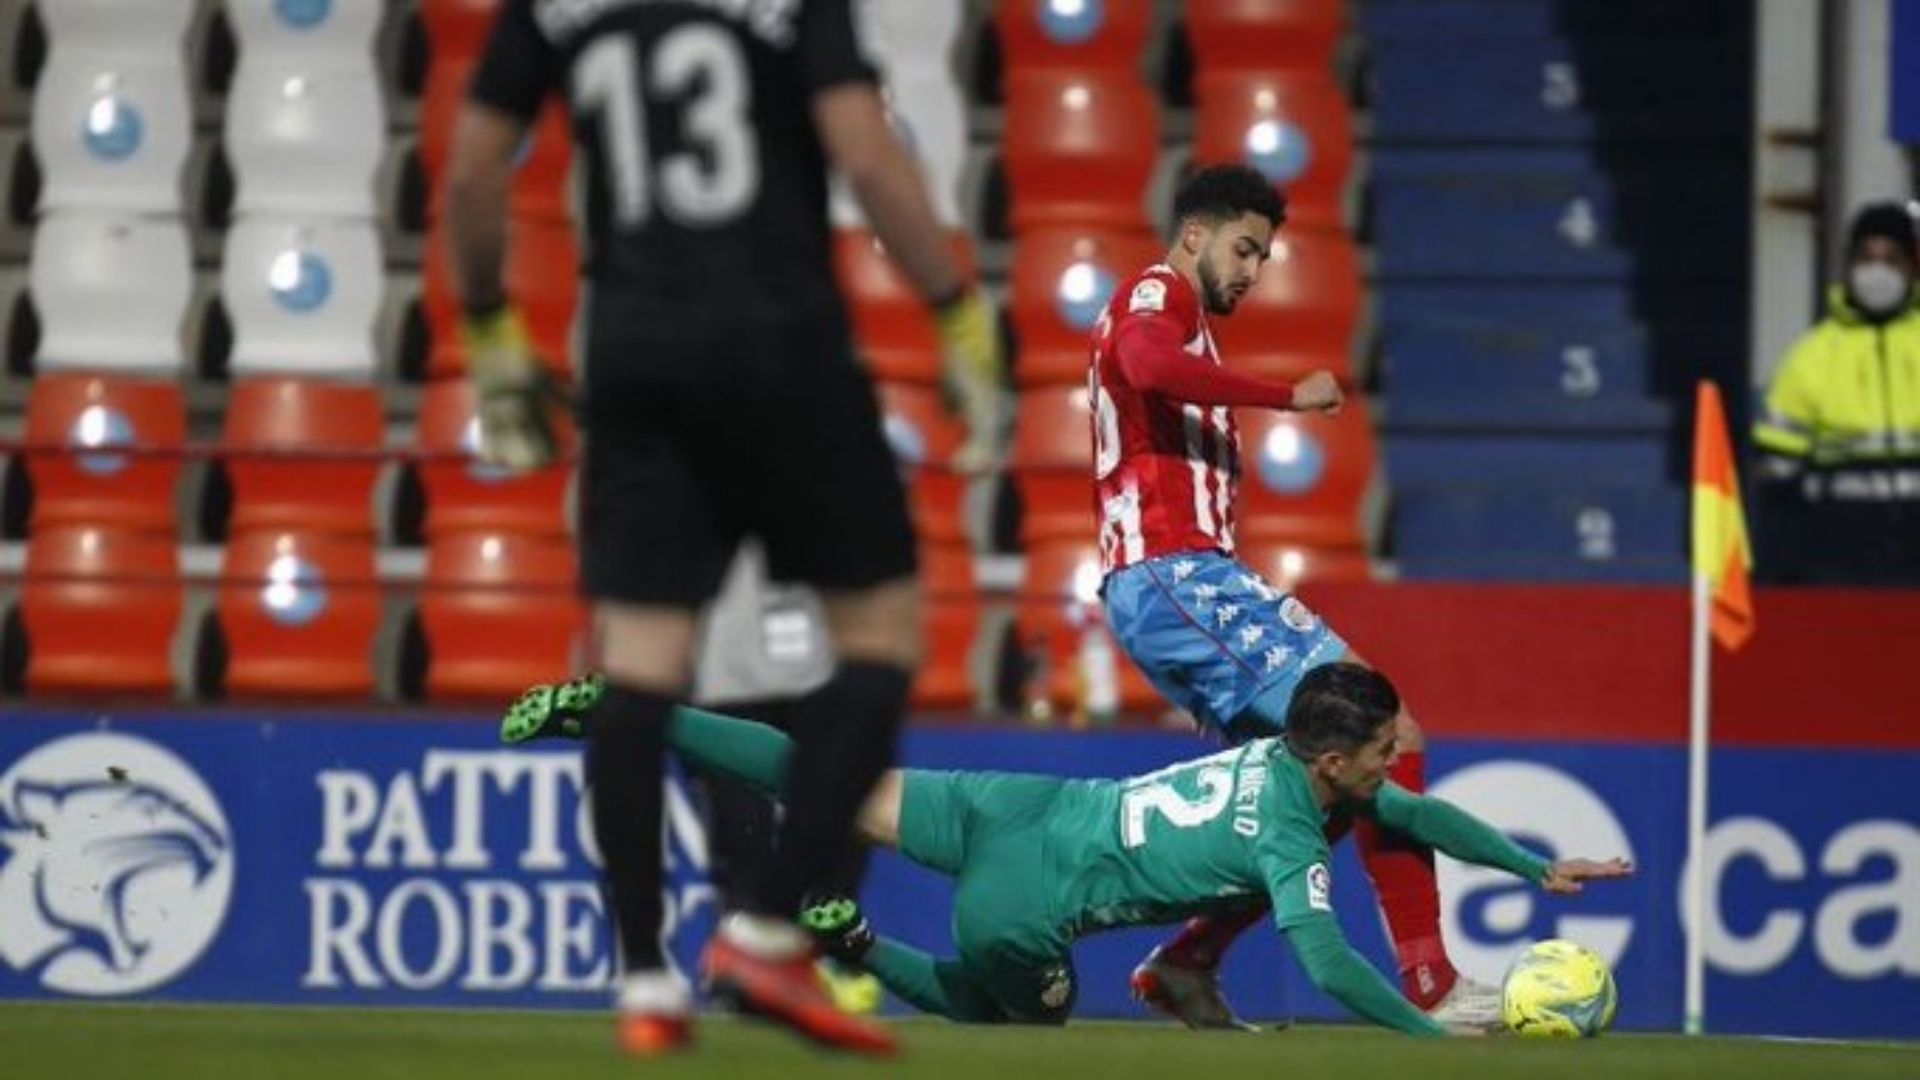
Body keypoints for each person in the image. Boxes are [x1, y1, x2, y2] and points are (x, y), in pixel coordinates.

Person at [445, 0, 1003, 1057]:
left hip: (633, 358)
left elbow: (474, 175)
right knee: (882, 633)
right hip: (780, 344)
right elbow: (867, 155)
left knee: (640, 665)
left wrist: (490, 330)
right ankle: (763, 929)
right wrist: (955, 309)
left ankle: (646, 977)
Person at [510, 662, 1632, 1034]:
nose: (1398, 760)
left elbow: (1418, 818)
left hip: (1020, 805)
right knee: (1012, 1015)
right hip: (1022, 898)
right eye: (1385, 748)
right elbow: (1333, 963)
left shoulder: (1295, 768)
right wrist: (1430, 1043)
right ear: (1333, 759)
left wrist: (1535, 867)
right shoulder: (1298, 827)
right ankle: (854, 945)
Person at [1082, 164, 1494, 1028]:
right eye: (1244, 249)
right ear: (1195, 235)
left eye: (1263, 257)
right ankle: (1433, 986)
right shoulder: (1158, 297)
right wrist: (1284, 397)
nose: (1252, 271)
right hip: (1176, 573)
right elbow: (1144, 364)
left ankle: (1188, 961)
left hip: (1164, 585)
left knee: (1322, 784)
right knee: (1389, 731)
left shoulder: (1187, 322)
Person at [1753, 201, 1920, 585]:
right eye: (1866, 258)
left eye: (1892, 259)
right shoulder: (1810, 357)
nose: (1877, 272)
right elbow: (1777, 480)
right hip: (1840, 555)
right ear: (1847, 267)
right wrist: (1778, 576)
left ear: (1912, 269)